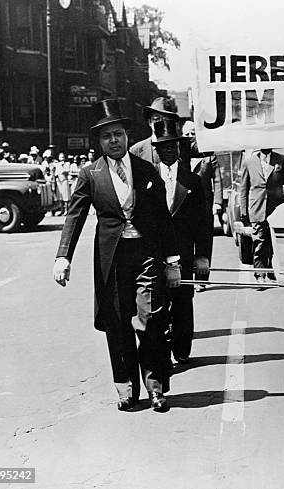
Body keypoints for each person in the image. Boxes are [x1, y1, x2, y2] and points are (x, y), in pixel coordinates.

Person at [52, 99, 181, 412]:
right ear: (99, 141)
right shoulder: (90, 175)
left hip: (146, 255)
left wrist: (173, 261)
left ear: (126, 135)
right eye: (107, 135)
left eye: (118, 134)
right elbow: (75, 216)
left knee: (150, 319)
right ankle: (125, 388)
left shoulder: (146, 170)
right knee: (118, 324)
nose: (114, 140)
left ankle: (155, 388)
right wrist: (63, 256)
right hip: (111, 259)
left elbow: (163, 218)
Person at [152, 118, 211, 366]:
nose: (168, 151)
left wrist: (202, 255)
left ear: (179, 148)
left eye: (173, 146)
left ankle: (182, 350)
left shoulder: (192, 181)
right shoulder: (147, 178)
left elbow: (203, 221)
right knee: (158, 304)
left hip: (185, 252)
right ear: (156, 149)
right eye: (164, 146)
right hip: (155, 254)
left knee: (183, 302)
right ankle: (162, 352)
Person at [240, 148, 284, 282]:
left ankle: (272, 270)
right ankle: (260, 275)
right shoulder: (249, 162)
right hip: (257, 208)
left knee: (275, 242)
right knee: (259, 241)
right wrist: (244, 211)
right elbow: (244, 189)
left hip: (276, 208)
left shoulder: (282, 160)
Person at [182, 120, 223, 292]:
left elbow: (218, 180)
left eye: (193, 134)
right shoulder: (179, 156)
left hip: (204, 205)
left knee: (204, 243)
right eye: (187, 135)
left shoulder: (209, 155)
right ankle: (186, 278)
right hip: (184, 207)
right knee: (184, 242)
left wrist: (217, 203)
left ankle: (202, 279)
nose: (190, 138)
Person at [130, 96, 178, 171]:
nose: (160, 123)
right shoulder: (135, 151)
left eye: (165, 119)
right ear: (149, 122)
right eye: (157, 119)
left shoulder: (181, 148)